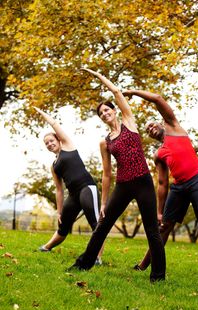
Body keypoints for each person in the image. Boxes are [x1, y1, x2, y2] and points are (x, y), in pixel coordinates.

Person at [69, 68, 166, 283]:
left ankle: (158, 276)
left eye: (107, 110)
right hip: (122, 185)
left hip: (142, 182)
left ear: (114, 110)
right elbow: (106, 174)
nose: (105, 114)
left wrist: (97, 75)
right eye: (101, 113)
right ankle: (84, 264)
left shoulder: (129, 122)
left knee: (152, 230)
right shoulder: (105, 142)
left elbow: (117, 92)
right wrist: (103, 203)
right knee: (102, 226)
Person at [122, 90, 198, 282]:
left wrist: (132, 92)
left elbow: (157, 99)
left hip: (197, 180)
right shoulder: (159, 154)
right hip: (178, 187)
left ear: (160, 123)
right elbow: (162, 183)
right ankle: (143, 266)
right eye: (147, 130)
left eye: (152, 125)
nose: (151, 129)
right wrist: (159, 211)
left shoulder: (174, 126)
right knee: (163, 227)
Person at [34, 107, 103, 264]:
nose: (49, 144)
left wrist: (42, 112)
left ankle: (97, 257)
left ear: (58, 140)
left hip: (87, 187)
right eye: (46, 143)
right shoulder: (54, 165)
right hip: (73, 195)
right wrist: (59, 212)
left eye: (51, 140)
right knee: (63, 226)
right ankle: (46, 247)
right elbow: (59, 190)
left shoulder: (67, 145)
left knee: (96, 224)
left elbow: (54, 123)